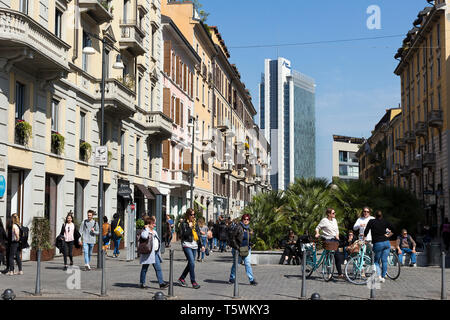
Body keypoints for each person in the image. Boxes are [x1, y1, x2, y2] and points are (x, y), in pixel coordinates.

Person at [363, 210, 394, 283]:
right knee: (384, 260)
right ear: (381, 215)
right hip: (386, 243)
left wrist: (364, 239)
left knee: (376, 261)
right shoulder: (385, 221)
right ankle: (383, 277)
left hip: (378, 243)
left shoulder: (371, 221)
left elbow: (366, 231)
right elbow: (394, 229)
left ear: (375, 215)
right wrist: (388, 235)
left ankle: (379, 276)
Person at [139, 216, 169, 289]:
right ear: (148, 224)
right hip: (148, 253)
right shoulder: (145, 231)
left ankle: (161, 283)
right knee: (145, 268)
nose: (154, 225)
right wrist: (146, 228)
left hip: (155, 253)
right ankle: (142, 283)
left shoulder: (154, 232)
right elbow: (145, 237)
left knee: (158, 268)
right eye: (153, 224)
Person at [178, 208, 204, 289]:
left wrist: (202, 245)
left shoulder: (195, 223)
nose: (193, 216)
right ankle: (193, 282)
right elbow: (183, 235)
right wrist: (189, 228)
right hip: (186, 244)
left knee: (190, 264)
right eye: (191, 215)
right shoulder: (183, 224)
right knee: (192, 263)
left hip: (194, 245)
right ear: (187, 215)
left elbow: (198, 234)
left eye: (194, 215)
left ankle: (182, 278)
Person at [315, 208, 344, 279]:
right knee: (328, 257)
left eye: (334, 213)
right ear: (329, 214)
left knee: (337, 256)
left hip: (334, 240)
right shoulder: (324, 220)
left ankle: (340, 274)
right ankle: (328, 273)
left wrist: (337, 235)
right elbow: (317, 228)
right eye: (333, 213)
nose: (334, 214)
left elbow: (337, 230)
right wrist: (317, 233)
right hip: (327, 239)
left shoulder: (335, 220)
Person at [228, 214, 257, 285]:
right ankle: (232, 278)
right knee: (236, 264)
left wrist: (250, 243)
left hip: (246, 249)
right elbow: (232, 238)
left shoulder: (249, 228)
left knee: (247, 264)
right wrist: (236, 247)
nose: (246, 221)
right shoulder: (238, 227)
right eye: (245, 219)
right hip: (238, 249)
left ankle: (251, 279)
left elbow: (248, 238)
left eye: (247, 219)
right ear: (242, 219)